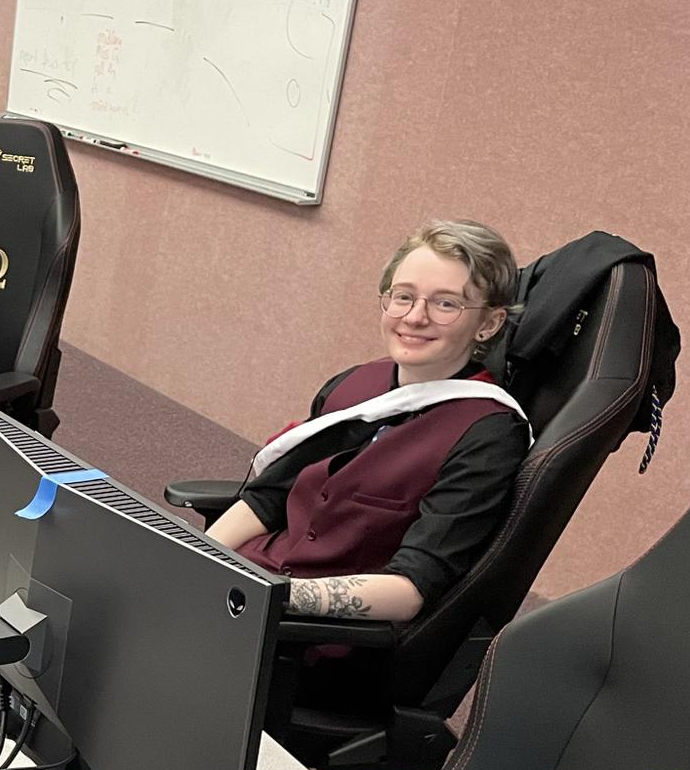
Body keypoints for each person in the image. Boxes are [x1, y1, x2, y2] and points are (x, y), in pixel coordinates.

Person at [207, 219, 530, 625]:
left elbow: (413, 587)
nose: (414, 317)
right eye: (403, 296)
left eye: (445, 303)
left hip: (314, 633)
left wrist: (261, 596)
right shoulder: (355, 383)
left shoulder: (488, 435)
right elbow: (267, 499)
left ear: (488, 324)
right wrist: (196, 560)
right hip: (248, 587)